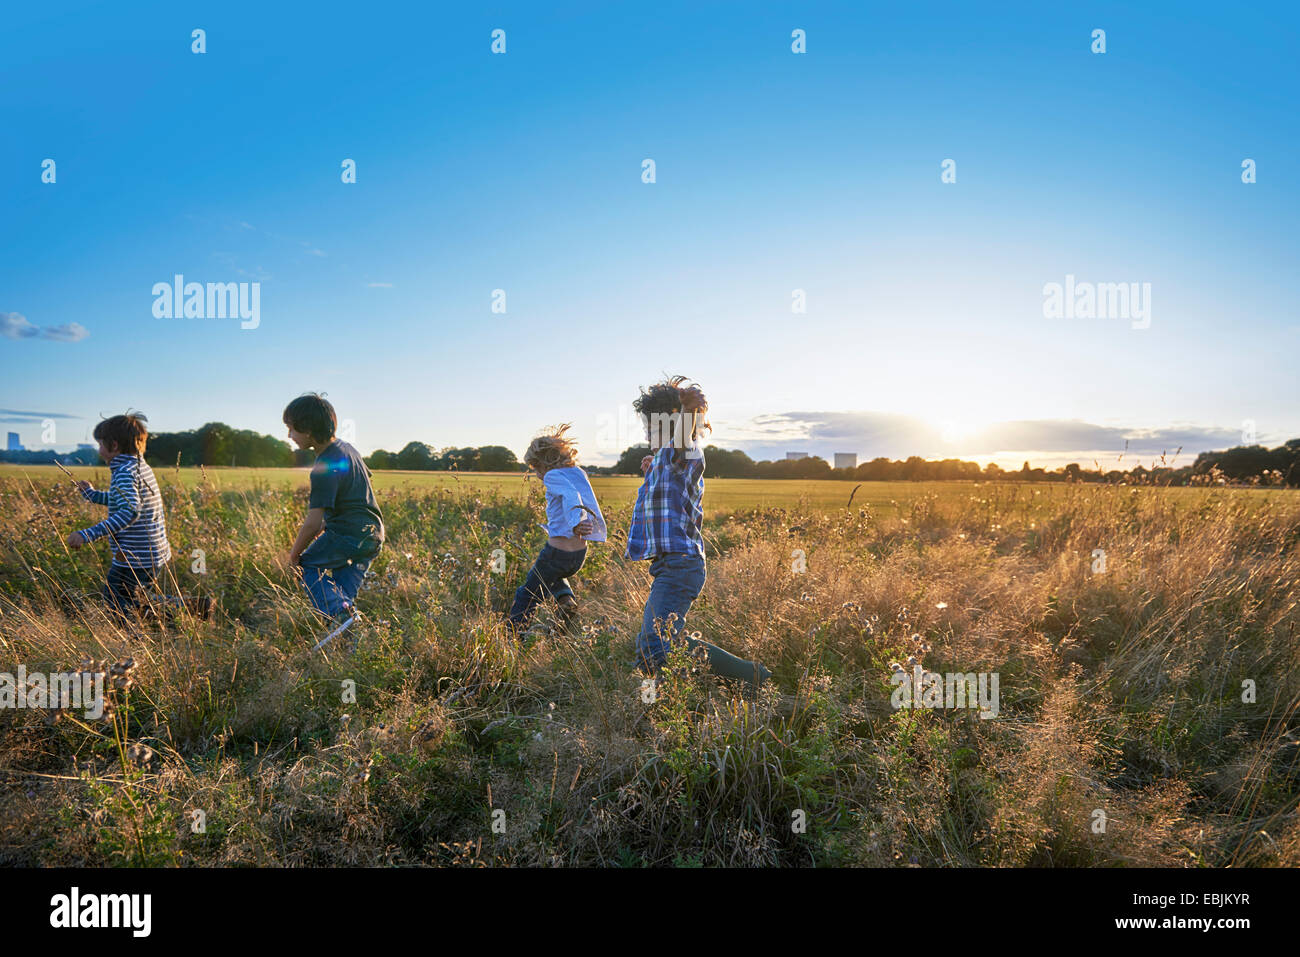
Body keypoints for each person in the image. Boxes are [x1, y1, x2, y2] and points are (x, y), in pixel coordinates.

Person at [625, 376, 772, 690]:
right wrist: (653, 468)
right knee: (656, 641)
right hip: (670, 566)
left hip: (681, 566)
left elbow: (679, 445)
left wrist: (689, 409)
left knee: (654, 644)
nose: (648, 435)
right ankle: (750, 675)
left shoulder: (685, 451)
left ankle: (679, 697)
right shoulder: (666, 460)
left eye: (654, 428)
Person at [282, 394, 384, 622]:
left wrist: (294, 556)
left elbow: (313, 522)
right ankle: (347, 635)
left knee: (307, 566)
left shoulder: (324, 465)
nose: (289, 435)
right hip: (372, 536)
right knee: (341, 593)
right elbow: (359, 484)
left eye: (291, 429)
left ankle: (339, 616)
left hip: (347, 535)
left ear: (307, 428)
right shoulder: (349, 449)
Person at [65, 413, 173, 620]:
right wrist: (93, 495)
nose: (99, 450)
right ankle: (194, 607)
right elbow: (124, 500)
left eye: (100, 444)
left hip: (135, 555)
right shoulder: (140, 467)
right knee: (138, 599)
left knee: (117, 601)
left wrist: (89, 534)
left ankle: (132, 639)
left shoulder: (124, 472)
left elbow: (130, 511)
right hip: (151, 551)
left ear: (114, 445)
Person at [507, 424, 606, 633]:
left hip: (556, 553)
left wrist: (575, 522)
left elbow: (572, 497)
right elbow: (585, 498)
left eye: (535, 468)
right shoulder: (578, 473)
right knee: (552, 577)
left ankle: (514, 636)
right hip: (578, 555)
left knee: (527, 594)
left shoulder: (553, 476)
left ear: (543, 464)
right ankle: (565, 598)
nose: (536, 474)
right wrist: (586, 522)